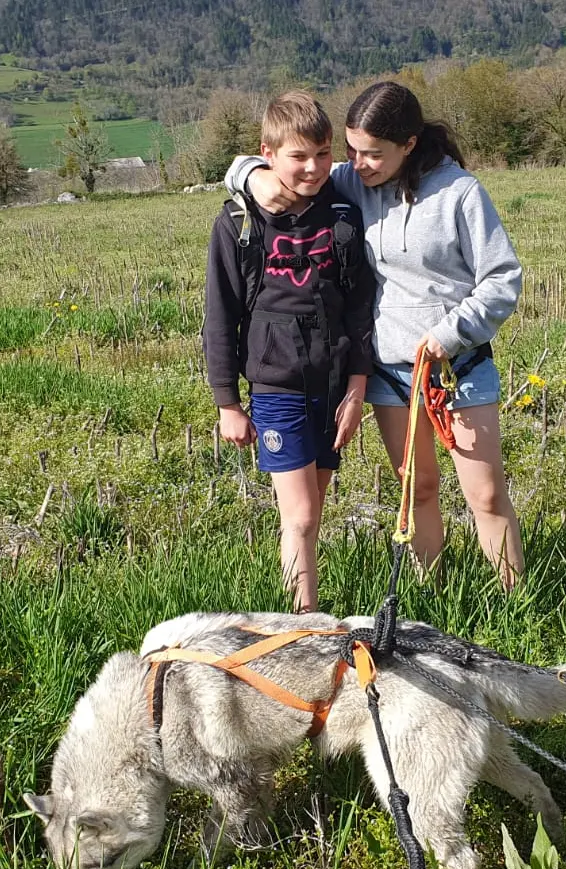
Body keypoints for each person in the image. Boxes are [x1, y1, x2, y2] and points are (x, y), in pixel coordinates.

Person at [225, 81, 525, 590]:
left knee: (487, 494)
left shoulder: (460, 193)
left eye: (372, 154)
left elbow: (503, 280)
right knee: (417, 488)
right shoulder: (350, 181)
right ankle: (434, 597)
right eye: (351, 151)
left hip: (455, 369)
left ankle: (516, 602)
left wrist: (449, 336)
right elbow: (263, 165)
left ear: (408, 145)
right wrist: (252, 176)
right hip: (388, 371)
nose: (357, 164)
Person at [203, 91, 374, 613]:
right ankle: (303, 628)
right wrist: (227, 402)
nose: (314, 167)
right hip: (277, 385)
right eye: (298, 156)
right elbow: (220, 313)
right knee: (298, 517)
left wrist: (357, 385)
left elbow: (359, 307)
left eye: (323, 154)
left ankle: (300, 613)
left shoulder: (342, 213)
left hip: (334, 384)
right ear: (267, 154)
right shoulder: (239, 221)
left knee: (312, 513)